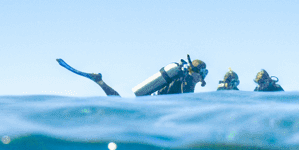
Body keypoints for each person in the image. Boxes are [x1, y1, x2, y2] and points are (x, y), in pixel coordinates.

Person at [55, 56, 207, 96]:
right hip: (152, 108)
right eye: (203, 73)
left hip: (151, 101)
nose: (203, 78)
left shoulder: (181, 76)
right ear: (196, 72)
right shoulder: (187, 80)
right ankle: (100, 82)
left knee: (118, 105)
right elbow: (186, 103)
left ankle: (100, 81)